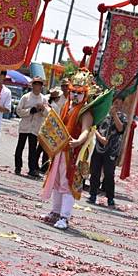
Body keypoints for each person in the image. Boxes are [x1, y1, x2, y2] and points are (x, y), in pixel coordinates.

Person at [40, 70, 95, 230]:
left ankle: (64, 217)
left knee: (68, 184)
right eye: (73, 92)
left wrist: (78, 141)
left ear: (85, 94)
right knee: (57, 182)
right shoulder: (66, 106)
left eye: (79, 93)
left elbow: (86, 130)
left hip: (73, 154)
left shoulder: (86, 111)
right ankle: (55, 213)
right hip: (60, 150)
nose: (75, 96)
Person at [87, 95, 127, 208]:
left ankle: (110, 198)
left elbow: (121, 129)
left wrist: (114, 115)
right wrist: (100, 139)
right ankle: (93, 194)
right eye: (115, 101)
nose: (117, 104)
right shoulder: (103, 114)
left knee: (109, 174)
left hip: (111, 150)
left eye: (119, 102)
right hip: (99, 147)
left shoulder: (123, 117)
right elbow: (94, 127)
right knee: (95, 171)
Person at [14, 77, 48, 178]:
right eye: (35, 84)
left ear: (41, 87)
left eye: (39, 85)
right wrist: (30, 111)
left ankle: (32, 168)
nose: (37, 87)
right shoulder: (26, 97)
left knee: (32, 149)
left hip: (35, 127)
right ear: (32, 85)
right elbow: (18, 111)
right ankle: (18, 166)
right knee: (20, 146)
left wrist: (42, 109)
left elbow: (47, 113)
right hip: (25, 125)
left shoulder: (44, 99)